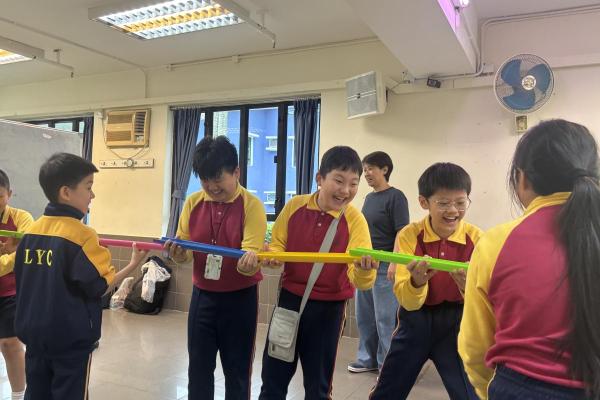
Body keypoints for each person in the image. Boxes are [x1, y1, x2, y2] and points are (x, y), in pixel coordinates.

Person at [459, 119, 600, 400]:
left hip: (522, 389)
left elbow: (475, 349)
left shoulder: (495, 243)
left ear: (521, 179)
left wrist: (490, 391)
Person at [8, 153, 147, 399]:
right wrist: (133, 264)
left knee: (37, 393)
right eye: (88, 187)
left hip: (34, 336)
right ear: (66, 192)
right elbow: (100, 287)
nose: (93, 195)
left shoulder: (30, 233)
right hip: (69, 341)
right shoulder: (82, 236)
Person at [246, 146, 378, 399]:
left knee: (318, 387)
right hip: (288, 303)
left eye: (353, 184)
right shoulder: (295, 206)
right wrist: (272, 256)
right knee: (273, 378)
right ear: (320, 178)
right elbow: (278, 246)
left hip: (329, 311)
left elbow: (362, 281)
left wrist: (363, 270)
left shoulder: (355, 219)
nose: (346, 190)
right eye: (338, 180)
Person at [165, 136, 267, 400]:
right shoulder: (193, 202)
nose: (211, 187)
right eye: (204, 180)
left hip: (240, 299)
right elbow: (185, 252)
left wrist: (249, 262)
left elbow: (251, 254)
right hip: (202, 297)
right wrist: (179, 253)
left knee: (237, 371)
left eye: (218, 179)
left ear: (236, 172)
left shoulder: (252, 205)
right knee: (198, 369)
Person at [370, 162, 481, 400]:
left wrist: (466, 288)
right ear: (424, 202)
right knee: (387, 391)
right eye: (443, 203)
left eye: (460, 202)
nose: (453, 210)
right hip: (415, 321)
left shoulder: (477, 238)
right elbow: (407, 301)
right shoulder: (410, 235)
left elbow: (483, 299)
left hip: (457, 323)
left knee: (469, 394)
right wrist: (417, 283)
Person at [348, 151, 409, 373]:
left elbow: (402, 231)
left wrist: (395, 263)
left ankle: (387, 366)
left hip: (385, 265)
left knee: (385, 319)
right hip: (366, 264)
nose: (366, 173)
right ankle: (367, 360)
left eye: (370, 168)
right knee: (365, 317)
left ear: (385, 169)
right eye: (364, 170)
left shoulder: (396, 197)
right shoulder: (369, 198)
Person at [0, 169, 33, 400]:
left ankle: (18, 396)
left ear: (9, 194)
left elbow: (24, 253)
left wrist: (7, 258)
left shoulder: (22, 218)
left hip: (11, 291)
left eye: (0, 196)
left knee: (10, 344)